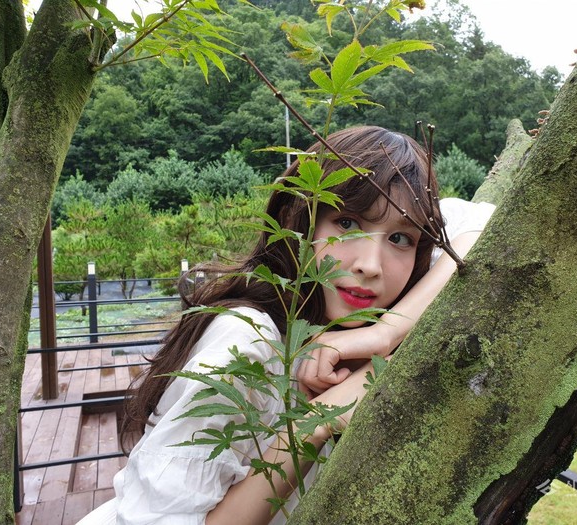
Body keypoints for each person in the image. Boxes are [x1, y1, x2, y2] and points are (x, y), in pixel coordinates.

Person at [76, 126, 494, 525]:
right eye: (347, 223)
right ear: (300, 220)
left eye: (400, 238)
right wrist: (319, 420)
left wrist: (385, 331)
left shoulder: (343, 332)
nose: (370, 265)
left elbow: (483, 219)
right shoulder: (248, 341)